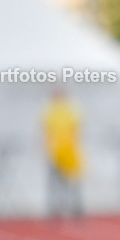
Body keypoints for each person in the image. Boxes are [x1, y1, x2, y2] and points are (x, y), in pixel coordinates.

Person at [42, 89, 85, 219]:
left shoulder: (70, 110)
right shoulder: (50, 110)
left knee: (73, 182)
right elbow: (46, 131)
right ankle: (55, 209)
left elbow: (78, 129)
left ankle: (76, 208)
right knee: (56, 183)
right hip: (55, 151)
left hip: (69, 151)